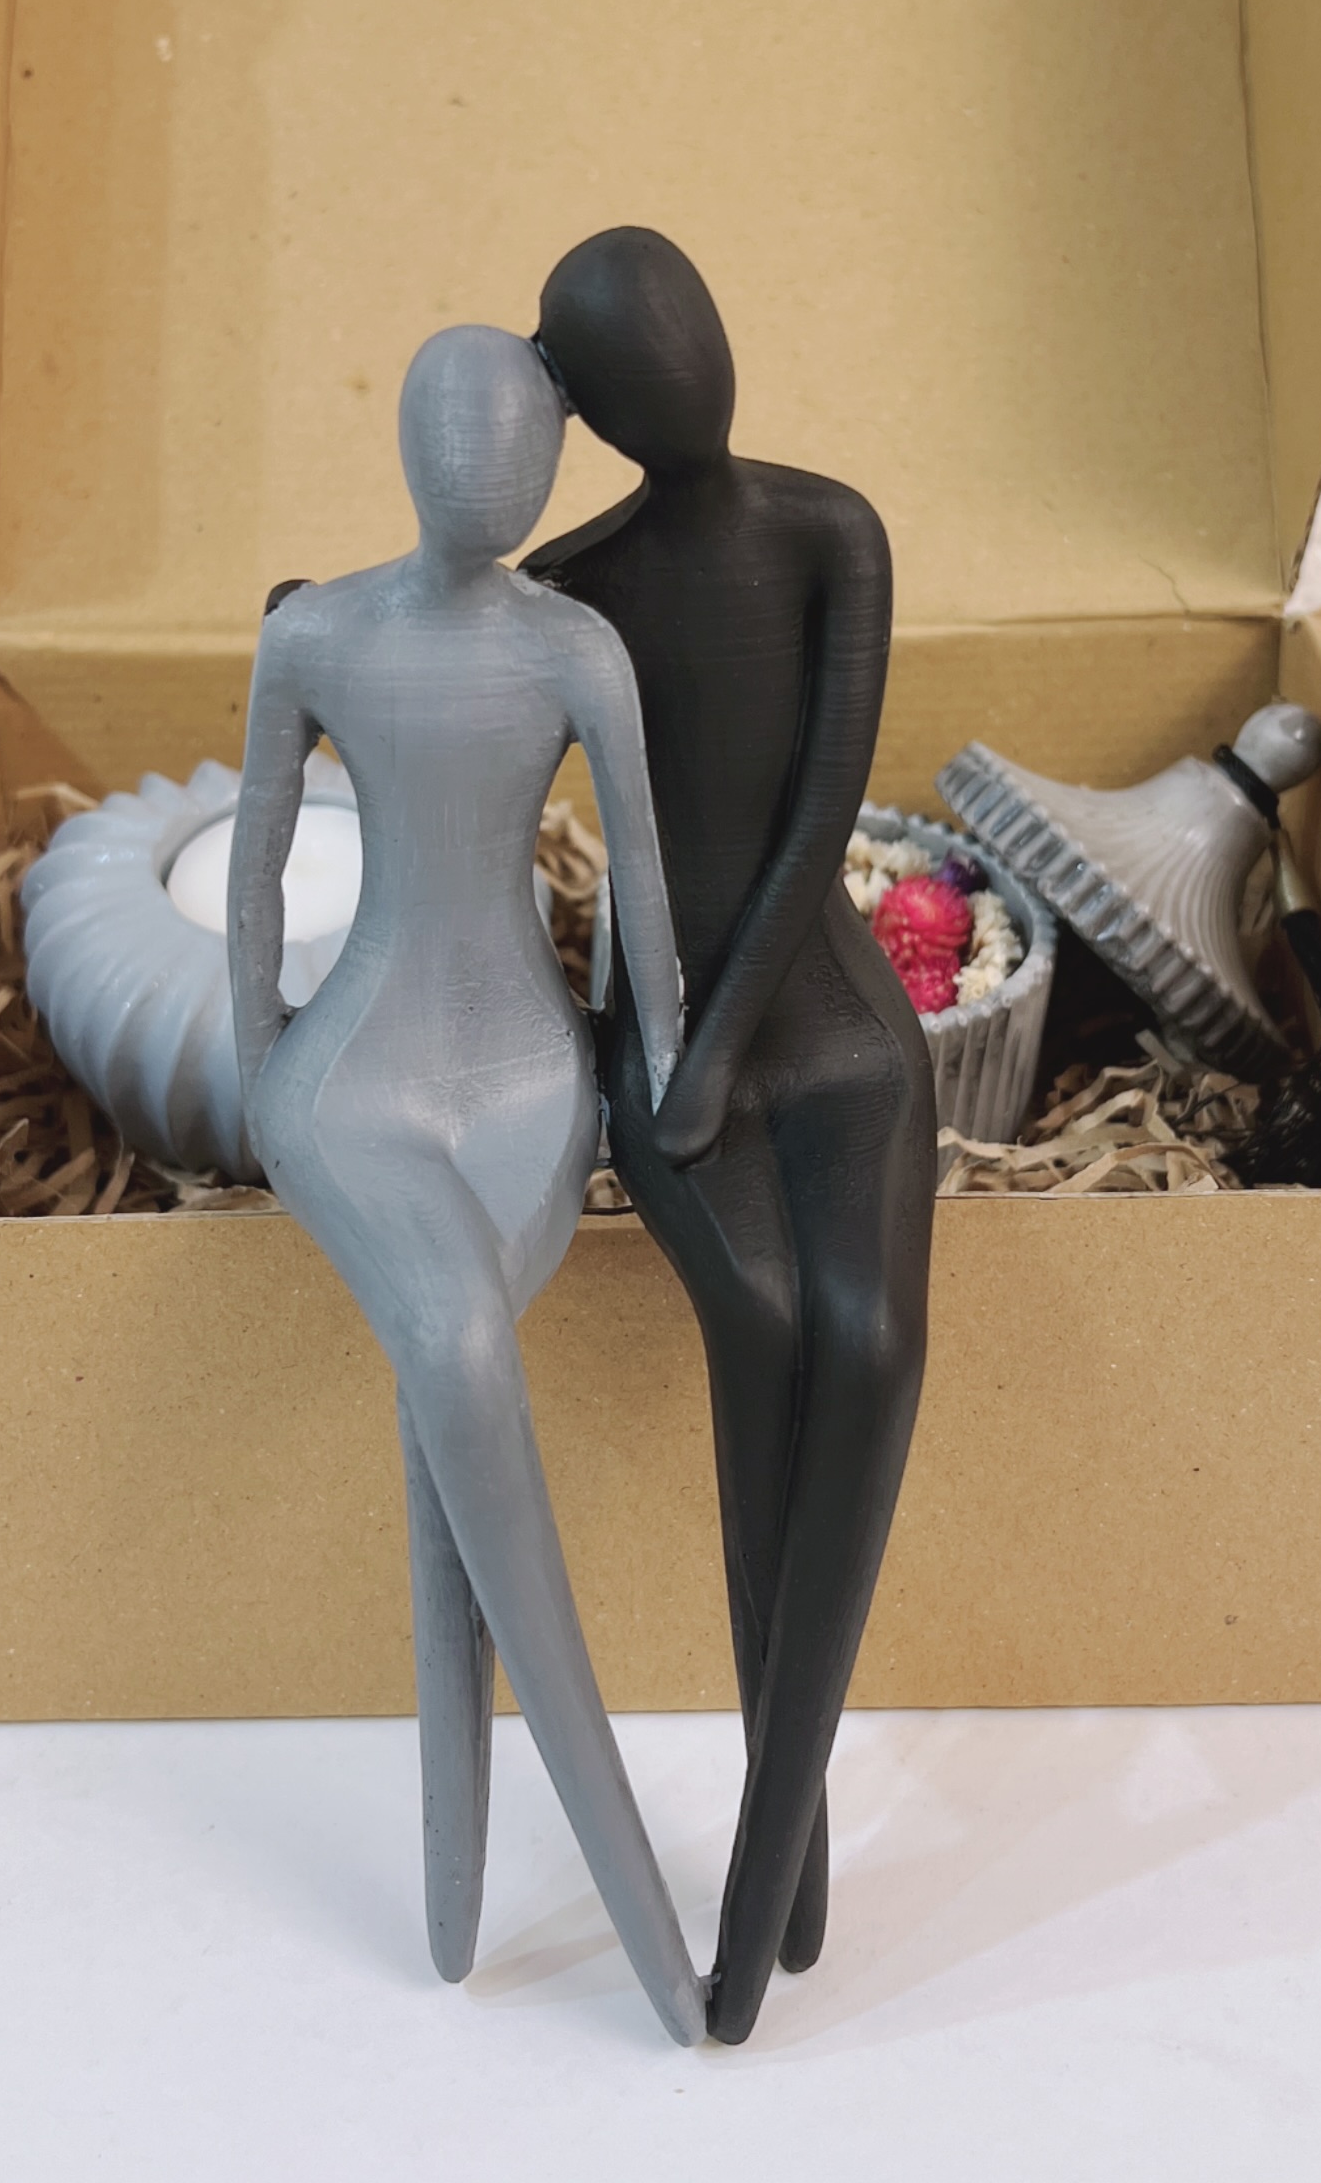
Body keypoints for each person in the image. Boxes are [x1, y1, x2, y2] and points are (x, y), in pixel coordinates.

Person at [228, 323, 703, 2046]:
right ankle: (639, 1908)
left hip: (523, 1077)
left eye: (516, 448)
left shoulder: (578, 649)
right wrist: (256, 1063)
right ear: (406, 442)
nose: (482, 474)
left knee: (453, 1391)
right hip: (354, 1074)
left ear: (558, 463)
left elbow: (639, 880)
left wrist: (658, 1073)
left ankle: (460, 1894)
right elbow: (259, 858)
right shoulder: (315, 635)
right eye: (454, 435)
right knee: (456, 1345)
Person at [525, 229, 935, 2044]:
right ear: (588, 406)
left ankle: (761, 1907)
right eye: (640, 359)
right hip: (670, 1041)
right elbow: (449, 717)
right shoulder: (569, 590)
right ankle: (788, 1891)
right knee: (764, 1349)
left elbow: (821, 810)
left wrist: (718, 1052)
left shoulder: (832, 531)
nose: (688, 374)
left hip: (826, 1025)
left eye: (693, 327)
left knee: (872, 1348)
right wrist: (326, 622)